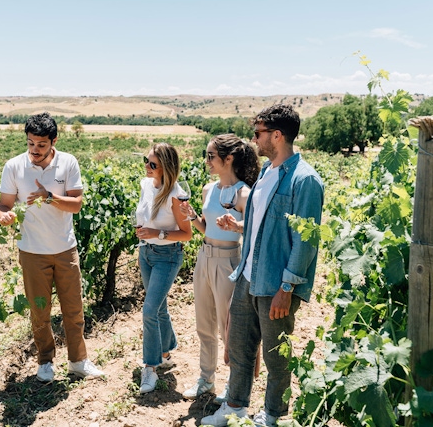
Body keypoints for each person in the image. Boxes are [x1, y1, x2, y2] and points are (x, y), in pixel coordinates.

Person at [201, 104, 324, 426]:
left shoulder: (304, 179)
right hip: (247, 274)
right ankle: (235, 408)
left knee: (276, 357)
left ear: (277, 135)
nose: (254, 141)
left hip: (275, 282)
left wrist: (288, 287)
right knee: (240, 349)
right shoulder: (267, 173)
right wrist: (240, 227)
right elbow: (267, 227)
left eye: (258, 134)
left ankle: (273, 416)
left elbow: (306, 241)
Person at [0, 112, 104, 382]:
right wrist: (4, 215)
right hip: (32, 251)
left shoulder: (68, 163)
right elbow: (4, 204)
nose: (34, 150)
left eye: (41, 145)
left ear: (53, 141)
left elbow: (76, 204)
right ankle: (45, 361)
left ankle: (78, 361)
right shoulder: (14, 166)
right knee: (39, 310)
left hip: (64, 248)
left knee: (73, 308)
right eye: (31, 143)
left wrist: (48, 197)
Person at [180, 135, 260, 401]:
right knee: (204, 321)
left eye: (211, 156)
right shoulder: (208, 189)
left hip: (228, 260)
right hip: (204, 257)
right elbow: (207, 227)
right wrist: (192, 217)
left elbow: (254, 232)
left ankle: (232, 383)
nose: (207, 161)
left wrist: (236, 226)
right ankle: (206, 378)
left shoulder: (244, 194)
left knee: (229, 327)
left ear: (229, 159)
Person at [134, 143, 192, 394]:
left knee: (149, 310)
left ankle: (151, 366)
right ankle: (167, 351)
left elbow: (186, 234)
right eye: (146, 161)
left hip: (167, 256)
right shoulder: (146, 185)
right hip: (146, 253)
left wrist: (156, 232)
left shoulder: (176, 196)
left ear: (166, 168)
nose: (147, 166)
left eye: (153, 164)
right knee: (159, 308)